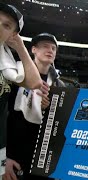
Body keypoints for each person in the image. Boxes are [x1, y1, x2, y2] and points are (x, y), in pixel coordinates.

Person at [4, 33, 65, 180]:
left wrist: (48, 109)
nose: (50, 50)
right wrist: (3, 157)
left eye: (53, 48)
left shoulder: (59, 85)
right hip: (13, 154)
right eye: (45, 46)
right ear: (33, 50)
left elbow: (59, 126)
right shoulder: (15, 74)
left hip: (41, 160)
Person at [0, 3, 43, 177]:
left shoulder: (6, 62)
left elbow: (34, 83)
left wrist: (20, 47)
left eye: (7, 25)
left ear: (13, 35)